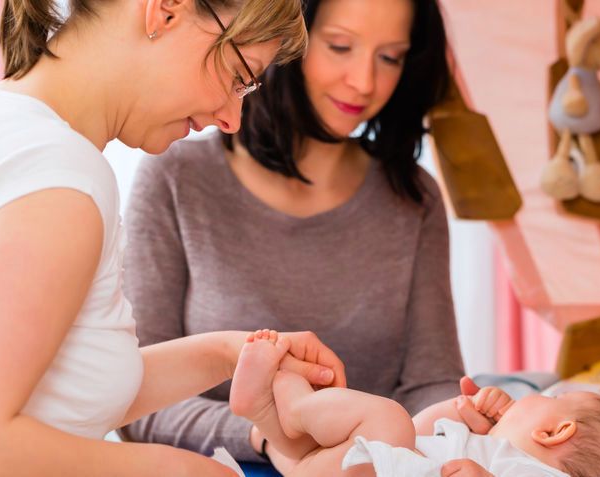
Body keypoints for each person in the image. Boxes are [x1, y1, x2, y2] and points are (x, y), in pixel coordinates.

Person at [0, 1, 347, 475]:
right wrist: (190, 472)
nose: (232, 118)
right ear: (165, 12)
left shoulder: (1, 126)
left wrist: (230, 354)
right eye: (237, 76)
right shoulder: (60, 184)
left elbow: (68, 395)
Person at [120, 0, 465, 464]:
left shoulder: (414, 195)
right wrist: (272, 439)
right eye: (339, 46)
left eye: (390, 57)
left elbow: (433, 383)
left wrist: (456, 427)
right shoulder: (177, 177)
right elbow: (134, 400)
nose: (365, 82)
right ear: (281, 39)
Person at [229, 331, 600, 477]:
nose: (535, 396)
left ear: (553, 432)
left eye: (552, 398)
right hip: (356, 467)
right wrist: (455, 410)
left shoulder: (532, 472)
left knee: (388, 420)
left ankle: (293, 410)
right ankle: (264, 412)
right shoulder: (485, 446)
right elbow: (420, 433)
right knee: (386, 432)